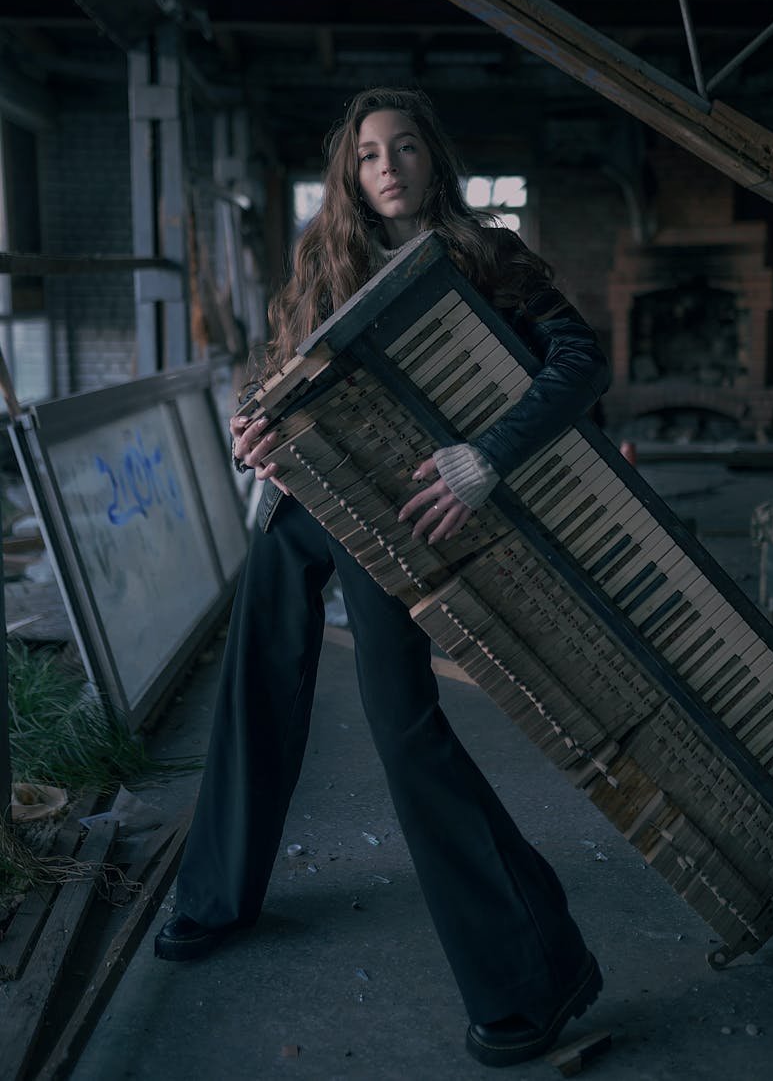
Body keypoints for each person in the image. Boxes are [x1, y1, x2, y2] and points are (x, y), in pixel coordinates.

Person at [154, 87, 611, 1069]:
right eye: (368, 153)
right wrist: (254, 429)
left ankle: (538, 970)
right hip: (315, 502)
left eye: (404, 147)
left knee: (401, 725)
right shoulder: (328, 263)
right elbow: (270, 374)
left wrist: (487, 457)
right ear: (348, 173)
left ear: (431, 159)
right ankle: (216, 895)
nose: (388, 165)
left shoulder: (490, 256)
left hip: (410, 507)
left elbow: (579, 363)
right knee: (257, 669)